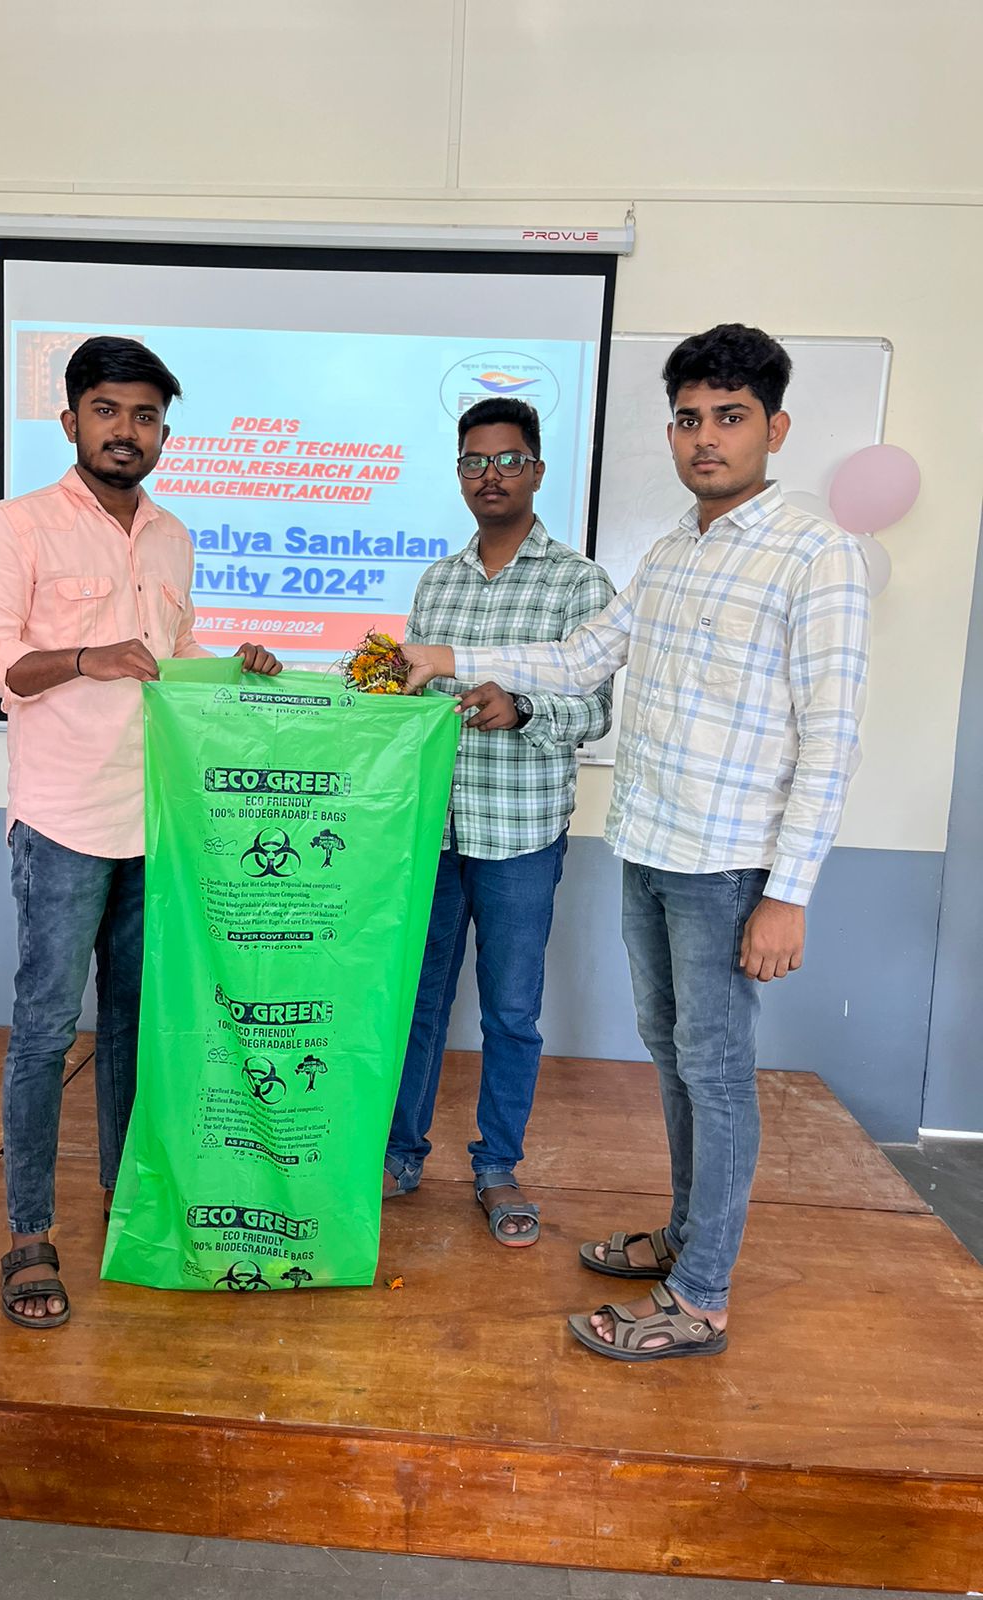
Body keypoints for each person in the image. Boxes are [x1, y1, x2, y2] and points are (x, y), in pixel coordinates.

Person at [401, 325, 870, 1355]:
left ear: (776, 428)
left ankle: (699, 1297)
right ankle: (686, 1238)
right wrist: (445, 654)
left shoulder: (816, 555)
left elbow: (832, 736)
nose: (707, 438)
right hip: (650, 849)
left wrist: (789, 892)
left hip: (727, 865)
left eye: (731, 418)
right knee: (675, 1057)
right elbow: (579, 659)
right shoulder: (668, 554)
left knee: (716, 1070)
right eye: (691, 419)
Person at [0, 335, 280, 1329]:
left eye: (144, 415)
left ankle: (124, 1206)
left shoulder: (173, 536)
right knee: (47, 1029)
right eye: (107, 411)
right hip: (61, 822)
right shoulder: (17, 526)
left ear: (164, 433)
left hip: (157, 824)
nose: (125, 430)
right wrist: (82, 656)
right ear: (71, 421)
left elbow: (169, 659)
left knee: (140, 1027)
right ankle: (30, 1233)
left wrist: (234, 665)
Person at [384, 397, 614, 1246]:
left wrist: (523, 709)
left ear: (538, 470)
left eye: (509, 460)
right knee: (415, 1003)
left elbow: (596, 712)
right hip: (431, 833)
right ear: (459, 474)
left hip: (519, 833)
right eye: (474, 461)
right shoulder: (436, 582)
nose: (491, 475)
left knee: (511, 1012)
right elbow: (411, 696)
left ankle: (498, 1167)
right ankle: (398, 1154)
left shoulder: (579, 583)